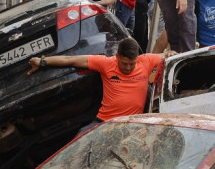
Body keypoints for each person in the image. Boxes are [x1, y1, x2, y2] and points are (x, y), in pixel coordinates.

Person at [27, 37, 174, 136]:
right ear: (117, 57)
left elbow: (170, 56)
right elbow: (70, 60)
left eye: (132, 64)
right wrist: (42, 62)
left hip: (131, 126)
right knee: (77, 145)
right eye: (124, 64)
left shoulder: (145, 61)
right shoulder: (106, 63)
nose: (128, 68)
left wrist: (171, 54)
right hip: (104, 122)